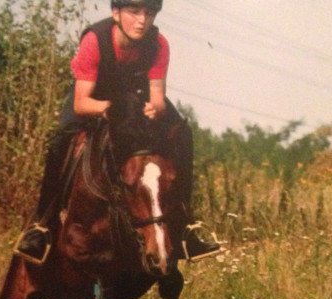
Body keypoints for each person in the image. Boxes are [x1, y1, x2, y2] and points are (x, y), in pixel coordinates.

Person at [15, 0, 220, 264]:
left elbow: (158, 96)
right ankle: (42, 224)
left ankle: (187, 226)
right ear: (115, 13)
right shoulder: (94, 40)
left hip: (135, 98)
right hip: (94, 98)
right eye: (134, 12)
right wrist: (117, 109)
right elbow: (81, 103)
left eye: (148, 13)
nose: (142, 20)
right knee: (60, 141)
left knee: (183, 133)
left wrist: (154, 109)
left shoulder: (159, 45)